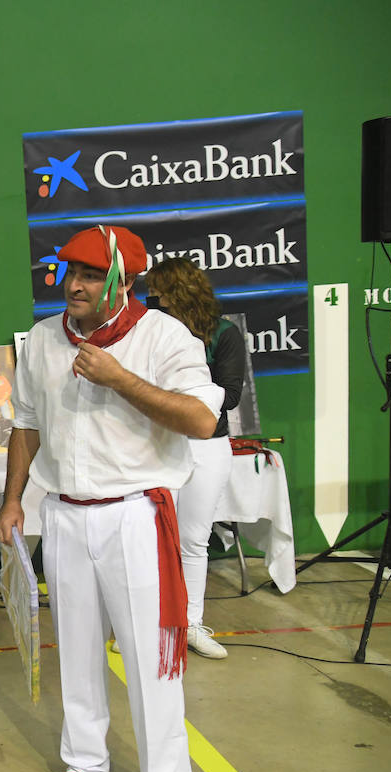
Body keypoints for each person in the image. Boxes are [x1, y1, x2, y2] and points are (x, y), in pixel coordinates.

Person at [0, 225, 222, 772]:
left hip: (135, 515)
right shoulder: (43, 339)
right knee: (75, 648)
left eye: (91, 275)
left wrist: (120, 377)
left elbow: (202, 420)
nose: (75, 285)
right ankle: (85, 762)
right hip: (63, 514)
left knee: (151, 658)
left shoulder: (164, 335)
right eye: (71, 272)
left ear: (123, 280)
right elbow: (25, 424)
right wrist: (12, 500)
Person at [146, 257, 247, 660]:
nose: (153, 299)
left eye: (160, 291)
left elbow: (231, 396)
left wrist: (176, 399)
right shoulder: (149, 332)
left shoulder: (223, 333)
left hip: (207, 445)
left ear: (180, 291)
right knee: (153, 539)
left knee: (193, 540)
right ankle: (148, 625)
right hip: (158, 443)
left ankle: (190, 624)